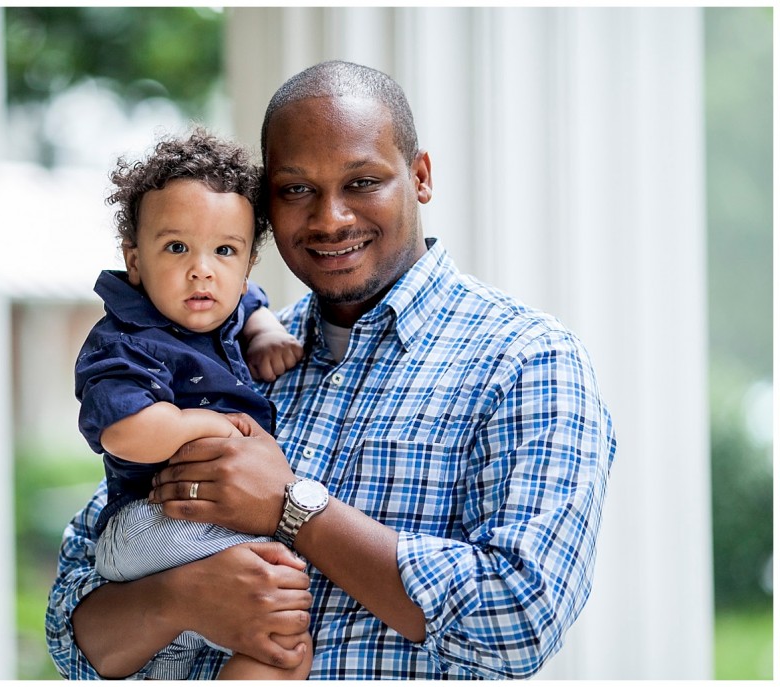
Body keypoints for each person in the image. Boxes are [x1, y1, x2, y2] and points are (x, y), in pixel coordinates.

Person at [47, 60, 616, 680]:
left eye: (363, 181)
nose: (329, 218)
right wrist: (179, 598)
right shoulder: (232, 353)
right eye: (296, 190)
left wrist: (294, 510)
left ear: (420, 177)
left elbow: (521, 617)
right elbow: (74, 632)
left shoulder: (526, 361)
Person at [70, 129, 310, 679]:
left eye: (225, 250)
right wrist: (201, 424)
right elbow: (125, 431)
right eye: (176, 248)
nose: (203, 268)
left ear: (247, 263)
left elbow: (250, 302)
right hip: (152, 523)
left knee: (281, 645)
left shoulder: (224, 302)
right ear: (135, 260)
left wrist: (266, 331)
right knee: (282, 594)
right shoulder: (127, 339)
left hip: (184, 527)